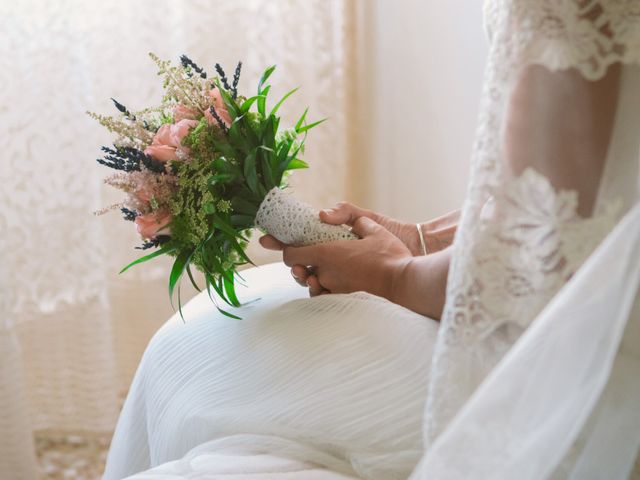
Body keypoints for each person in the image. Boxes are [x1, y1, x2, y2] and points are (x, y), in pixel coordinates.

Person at [103, 1, 640, 479]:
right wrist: (421, 238)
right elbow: (577, 192)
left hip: (574, 351)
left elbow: (539, 262)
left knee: (206, 359)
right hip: (572, 296)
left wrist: (394, 274)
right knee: (206, 335)